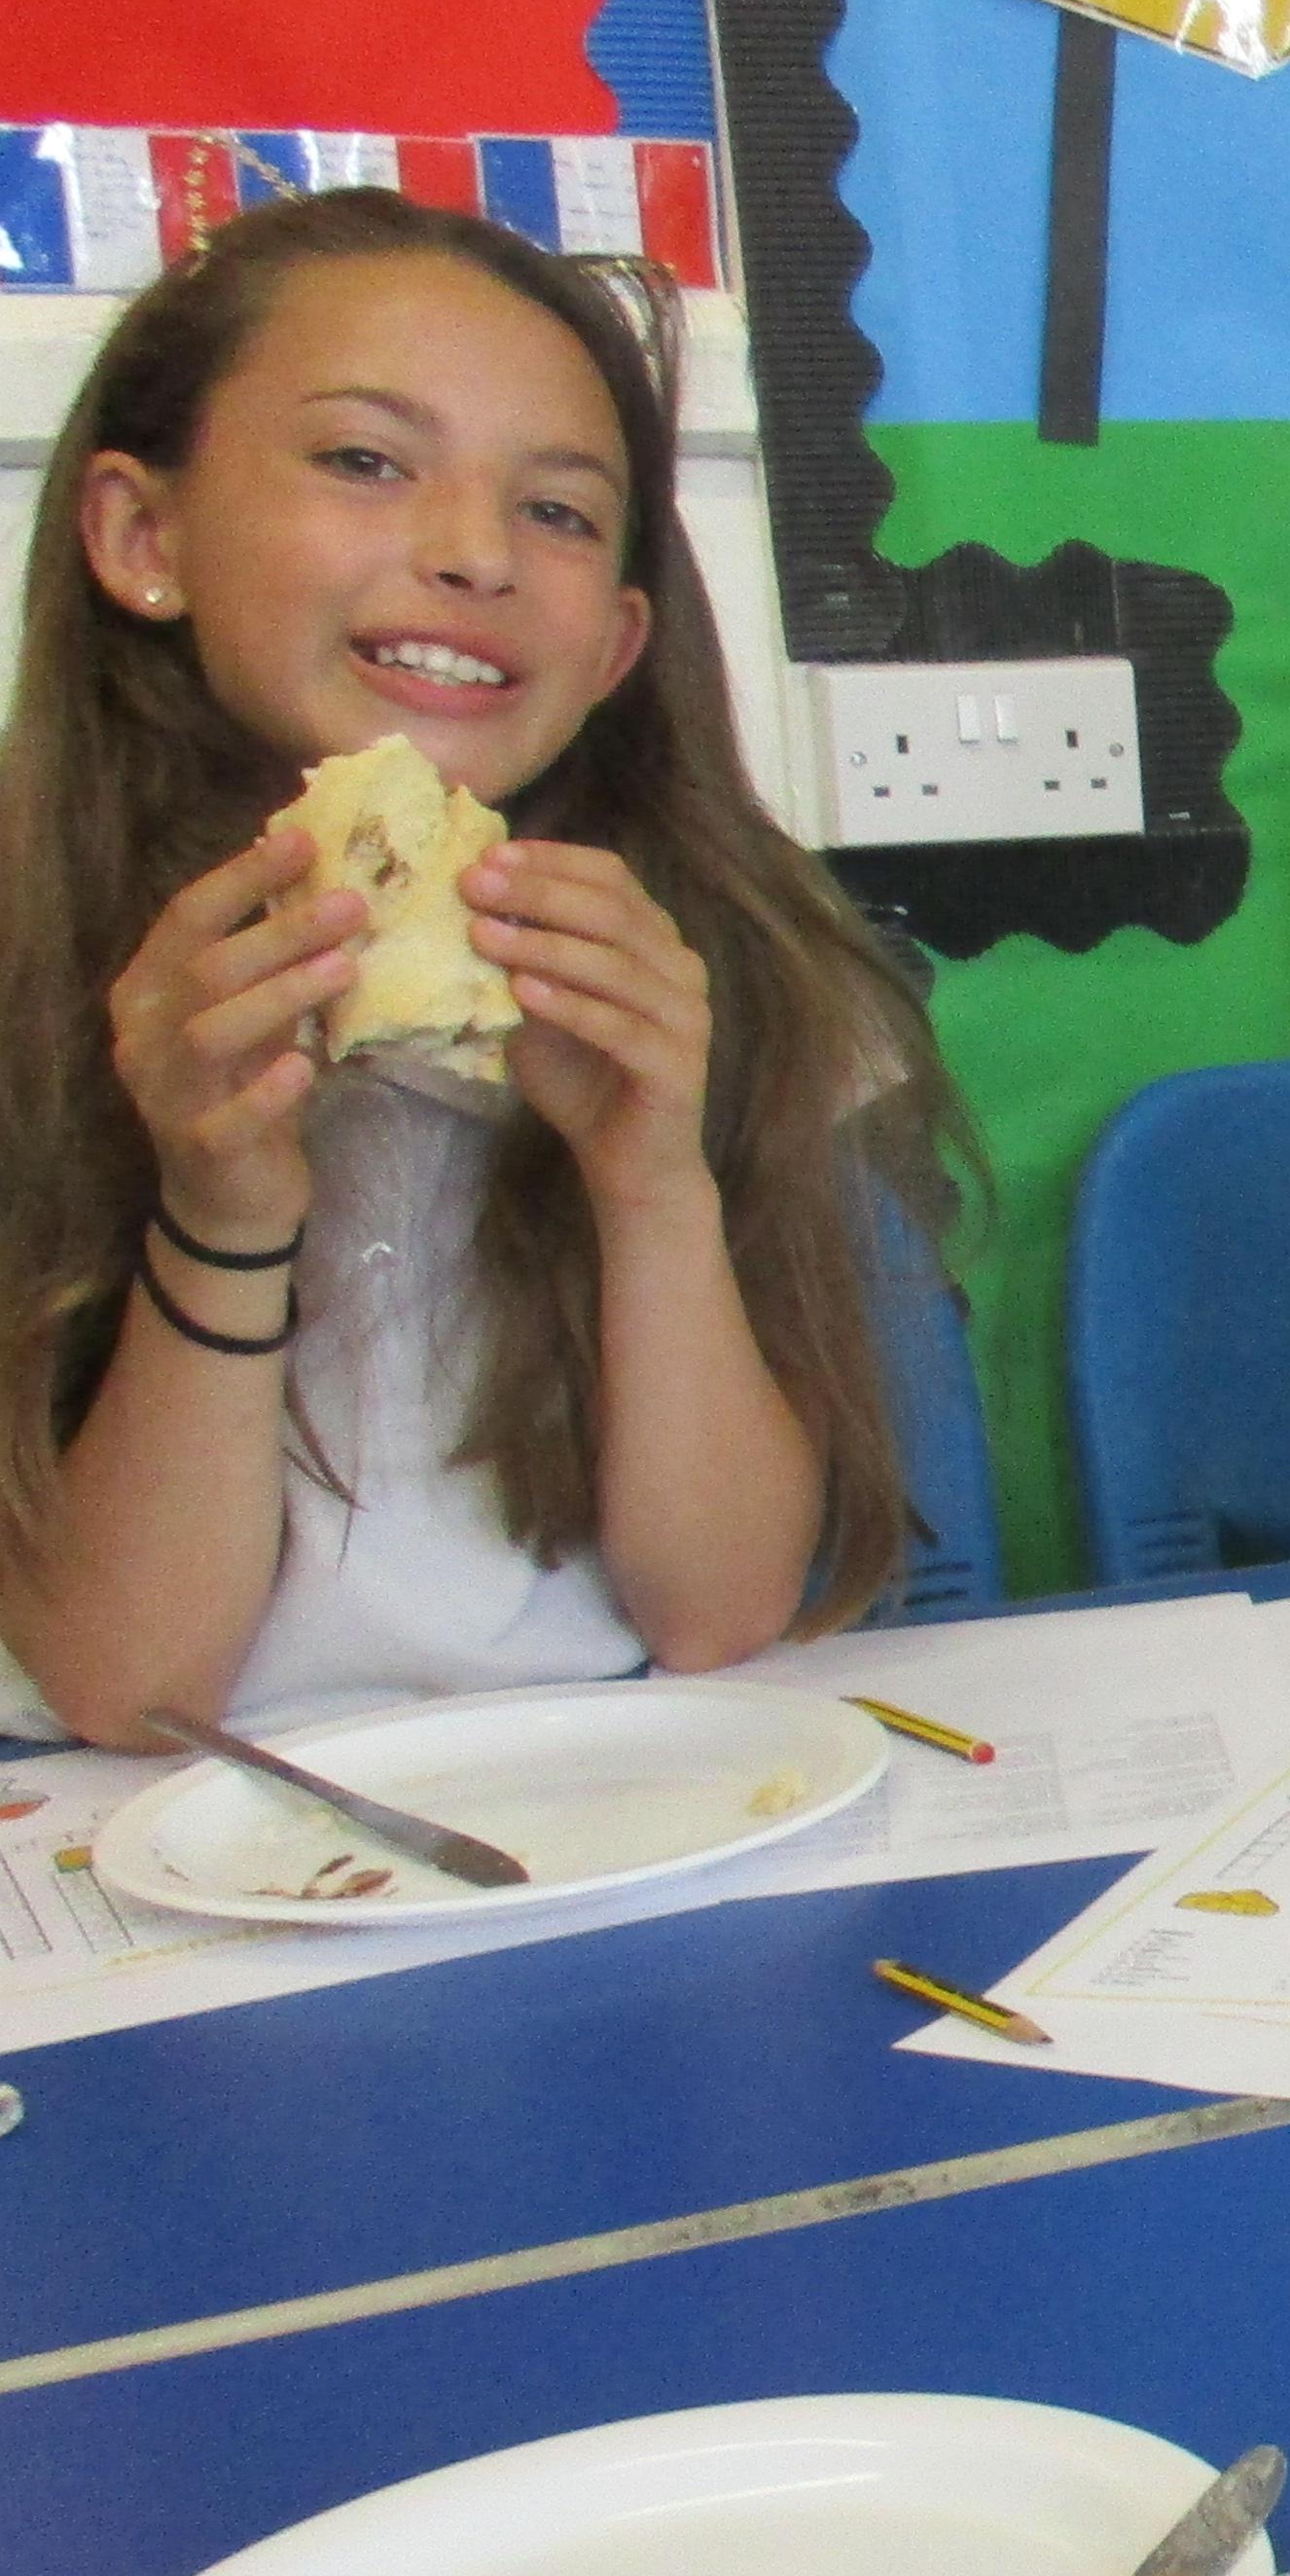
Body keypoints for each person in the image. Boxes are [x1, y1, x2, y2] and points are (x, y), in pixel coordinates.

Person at [0, 189, 965, 1749]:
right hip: (129, 1814)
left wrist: (650, 1180)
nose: (472, 555)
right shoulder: (31, 956)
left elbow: (717, 1611)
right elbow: (135, 1689)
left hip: (592, 1774)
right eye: (364, 461)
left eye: (559, 512)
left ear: (616, 646)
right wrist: (222, 1208)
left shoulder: (714, 958)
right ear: (144, 535)